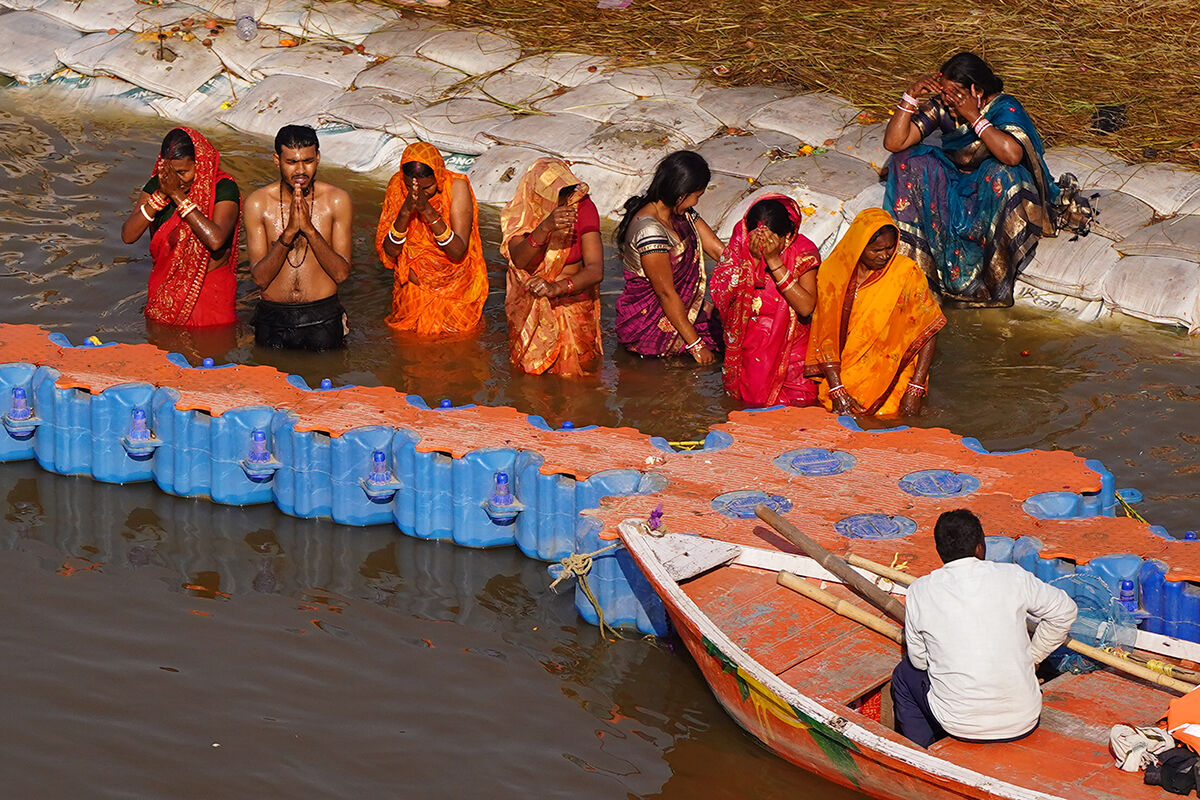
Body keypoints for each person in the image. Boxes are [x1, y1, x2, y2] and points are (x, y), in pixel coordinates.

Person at [883, 52, 1086, 308]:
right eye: (944, 92)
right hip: (958, 181)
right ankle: (919, 274)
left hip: (993, 187)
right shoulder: (943, 107)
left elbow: (1012, 155)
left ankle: (989, 281)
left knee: (1001, 172)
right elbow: (895, 143)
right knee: (908, 161)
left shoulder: (1004, 107)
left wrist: (974, 117)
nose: (948, 99)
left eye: (956, 93)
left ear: (977, 91)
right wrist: (910, 96)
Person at [893, 509, 1077, 747]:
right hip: (1024, 718)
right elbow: (1065, 611)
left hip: (960, 724)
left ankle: (920, 751)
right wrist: (1034, 656)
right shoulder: (1013, 576)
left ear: (939, 550)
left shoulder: (920, 590)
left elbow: (920, 662)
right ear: (981, 547)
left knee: (904, 674)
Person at [805, 209, 945, 417]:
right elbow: (825, 334)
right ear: (859, 246)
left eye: (890, 248)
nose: (885, 255)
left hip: (893, 372)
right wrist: (836, 388)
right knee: (833, 412)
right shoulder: (832, 274)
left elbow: (928, 328)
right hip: (846, 372)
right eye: (877, 250)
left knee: (890, 417)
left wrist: (915, 387)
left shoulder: (905, 273)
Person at [244, 125, 353, 351]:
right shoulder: (258, 204)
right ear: (277, 160)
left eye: (308, 161)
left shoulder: (336, 201)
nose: (301, 170)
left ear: (318, 158)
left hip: (323, 317)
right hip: (272, 318)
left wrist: (310, 230)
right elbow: (260, 279)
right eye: (292, 162)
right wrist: (290, 232)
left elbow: (341, 274)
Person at [120, 127, 239, 328]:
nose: (176, 180)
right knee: (160, 344)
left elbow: (216, 240)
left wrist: (176, 195)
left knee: (213, 343)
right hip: (165, 290)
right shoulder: (160, 185)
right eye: (171, 172)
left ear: (200, 164)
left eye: (183, 172)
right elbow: (128, 236)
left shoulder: (223, 187)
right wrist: (160, 196)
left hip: (210, 294)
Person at [615, 150, 724, 364]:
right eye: (696, 196)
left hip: (679, 309)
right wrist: (696, 345)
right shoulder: (649, 231)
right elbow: (665, 293)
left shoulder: (683, 214)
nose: (696, 202)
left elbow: (718, 251)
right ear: (681, 194)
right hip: (651, 325)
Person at [711, 195, 820, 407]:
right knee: (749, 409)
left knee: (798, 411)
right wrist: (752, 261)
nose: (763, 246)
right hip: (750, 352)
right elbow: (723, 303)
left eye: (771, 241)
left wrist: (773, 261)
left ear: (787, 236)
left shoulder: (802, 252)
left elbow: (806, 307)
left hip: (791, 354)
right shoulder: (739, 248)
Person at [501, 158, 604, 376]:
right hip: (530, 307)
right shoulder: (522, 212)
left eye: (567, 195)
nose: (565, 203)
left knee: (576, 379)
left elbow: (595, 270)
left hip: (571, 304)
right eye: (557, 197)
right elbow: (519, 260)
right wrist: (545, 227)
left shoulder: (582, 207)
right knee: (530, 378)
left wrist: (555, 288)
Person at [376, 142, 488, 338]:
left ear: (439, 175)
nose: (419, 193)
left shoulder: (456, 188)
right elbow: (390, 252)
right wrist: (405, 212)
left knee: (458, 344)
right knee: (411, 344)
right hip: (414, 289)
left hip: (456, 291)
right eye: (409, 187)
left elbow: (458, 251)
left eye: (428, 187)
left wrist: (426, 210)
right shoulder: (397, 187)